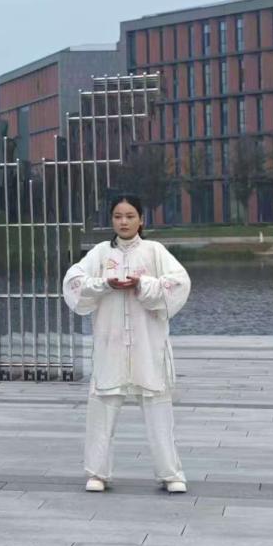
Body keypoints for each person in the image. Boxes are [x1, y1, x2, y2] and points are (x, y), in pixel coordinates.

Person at [62, 193, 191, 494]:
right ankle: (97, 472)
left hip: (148, 344)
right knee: (102, 408)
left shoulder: (154, 251)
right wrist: (104, 284)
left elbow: (179, 283)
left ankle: (170, 473)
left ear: (141, 220)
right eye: (118, 216)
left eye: (130, 216)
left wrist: (142, 284)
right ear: (111, 220)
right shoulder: (99, 253)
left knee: (158, 410)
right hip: (111, 344)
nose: (124, 222)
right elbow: (73, 282)